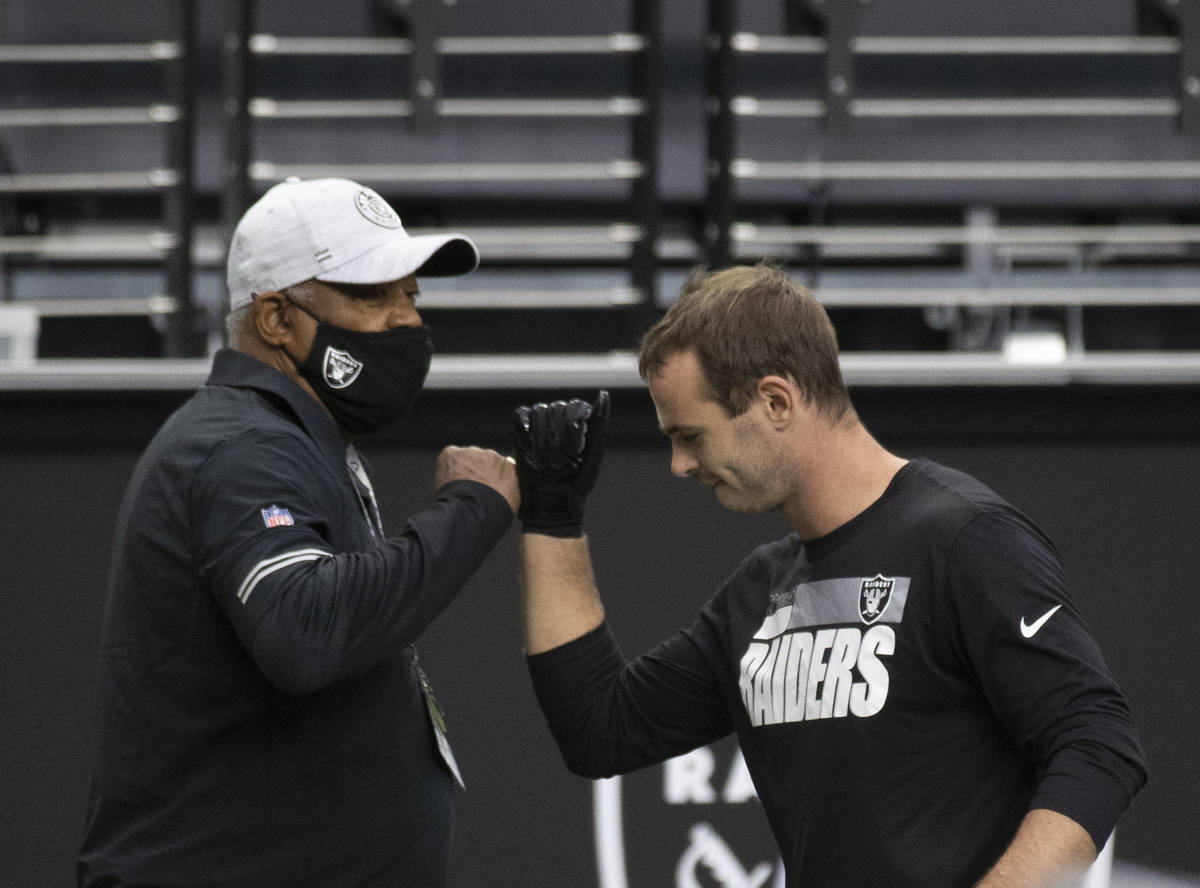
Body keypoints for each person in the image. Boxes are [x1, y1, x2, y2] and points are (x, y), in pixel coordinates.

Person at [511, 264, 1147, 888]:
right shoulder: (760, 592)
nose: (679, 465)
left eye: (691, 436)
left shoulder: (963, 539)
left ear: (776, 400)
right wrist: (551, 516)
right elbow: (599, 729)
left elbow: (1099, 745)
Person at [77, 177, 519, 887]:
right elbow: (304, 630)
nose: (405, 323)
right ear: (277, 318)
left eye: (412, 295)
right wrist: (468, 512)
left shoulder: (285, 438)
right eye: (373, 297)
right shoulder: (240, 447)